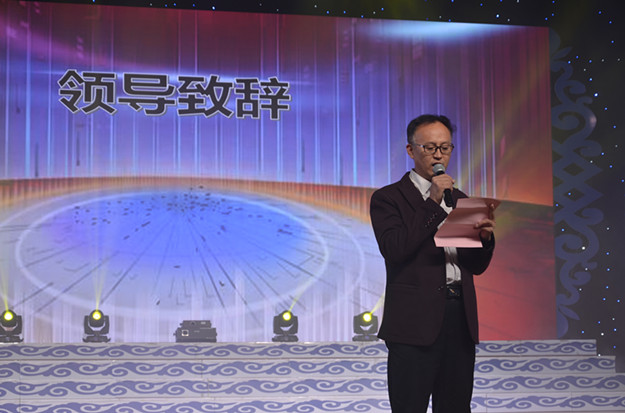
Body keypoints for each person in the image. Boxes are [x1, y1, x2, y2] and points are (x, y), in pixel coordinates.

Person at [369, 114, 496, 413]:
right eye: (429, 148)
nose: (438, 155)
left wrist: (485, 239)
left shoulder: (460, 199)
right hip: (413, 323)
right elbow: (395, 249)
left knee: (455, 407)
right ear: (411, 150)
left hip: (459, 319)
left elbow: (475, 266)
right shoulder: (389, 198)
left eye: (445, 147)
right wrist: (433, 203)